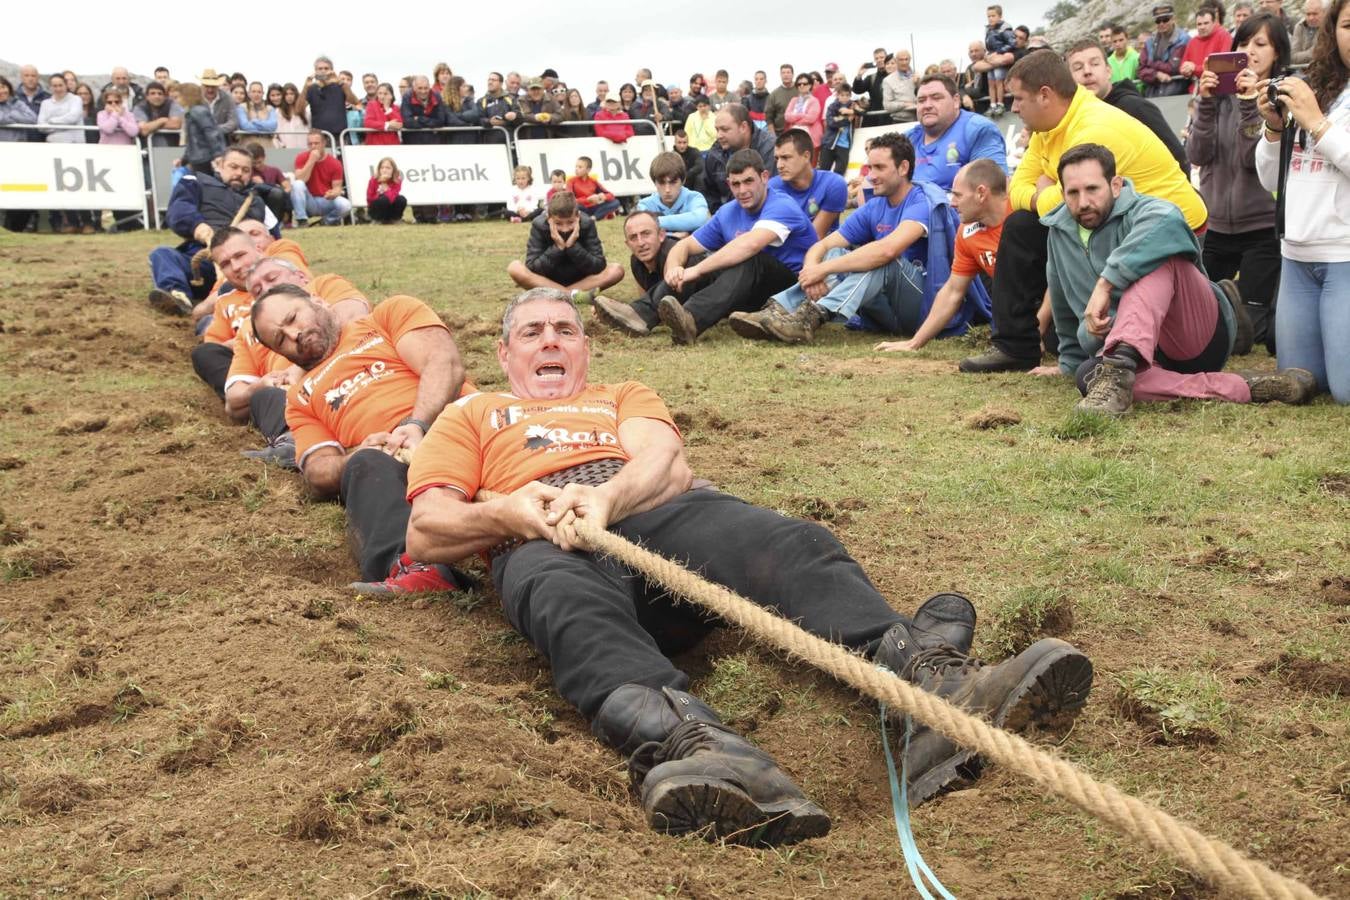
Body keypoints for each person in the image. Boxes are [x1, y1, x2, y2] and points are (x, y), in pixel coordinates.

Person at [399, 286, 1094, 841]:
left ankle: (931, 692)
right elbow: (428, 528)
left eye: (565, 330)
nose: (551, 340)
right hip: (539, 544)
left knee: (787, 543)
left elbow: (665, 463)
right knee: (566, 606)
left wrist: (606, 498)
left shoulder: (620, 397)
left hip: (644, 512)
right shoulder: (472, 415)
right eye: (533, 332)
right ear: (504, 352)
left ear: (583, 347)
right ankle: (697, 751)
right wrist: (512, 514)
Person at [960, 52, 1207, 374]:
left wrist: (1048, 192)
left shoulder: (1094, 126)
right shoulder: (1049, 127)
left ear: (1045, 95)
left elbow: (1069, 203)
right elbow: (1016, 193)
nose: (1014, 108)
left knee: (1059, 225)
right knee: (1022, 224)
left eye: (1019, 99)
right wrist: (1044, 194)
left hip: (1168, 231)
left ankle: (1209, 315)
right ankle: (1015, 346)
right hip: (1112, 221)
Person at [1047, 144, 1315, 414]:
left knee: (1158, 255)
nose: (1083, 202)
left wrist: (1106, 283)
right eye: (1073, 192)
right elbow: (1061, 299)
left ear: (1116, 185)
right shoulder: (1058, 231)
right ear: (1063, 194)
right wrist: (1067, 362)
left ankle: (1120, 365)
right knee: (1089, 376)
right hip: (1141, 356)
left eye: (1092, 189)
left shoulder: (1147, 210)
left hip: (1193, 337)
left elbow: (1167, 220)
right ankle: (1244, 385)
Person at [248, 285, 472, 595]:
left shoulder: (388, 315)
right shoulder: (300, 398)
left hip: (459, 426)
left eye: (292, 318)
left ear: (317, 301)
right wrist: (355, 456)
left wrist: (416, 424)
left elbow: (443, 363)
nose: (293, 334)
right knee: (365, 463)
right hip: (393, 467)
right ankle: (416, 569)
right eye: (280, 338)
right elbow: (317, 470)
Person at [728, 133, 988, 345]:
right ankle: (781, 311)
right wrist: (812, 269)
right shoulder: (875, 206)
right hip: (887, 313)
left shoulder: (921, 201)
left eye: (879, 167)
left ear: (904, 167)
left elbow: (887, 250)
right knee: (835, 253)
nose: (870, 175)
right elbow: (823, 244)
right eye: (869, 167)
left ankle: (812, 317)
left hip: (925, 310)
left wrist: (824, 269)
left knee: (884, 261)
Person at [1254, 0, 1350, 403]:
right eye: (1348, 25)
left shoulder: (1317, 107)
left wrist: (1317, 123)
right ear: (1332, 32)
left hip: (1344, 255)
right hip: (1296, 256)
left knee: (1345, 391)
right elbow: (1269, 176)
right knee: (1301, 381)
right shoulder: (1322, 86)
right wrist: (1275, 131)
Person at [1188, 12, 1291, 352]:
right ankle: (1227, 308)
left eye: (1260, 44)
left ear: (1278, 53)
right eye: (1243, 43)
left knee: (1251, 330)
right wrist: (1204, 103)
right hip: (1216, 228)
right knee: (1197, 314)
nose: (1250, 51)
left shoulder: (1283, 98)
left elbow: (1252, 159)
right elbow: (1198, 154)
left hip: (1262, 229)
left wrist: (1249, 104)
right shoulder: (1216, 98)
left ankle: (1268, 303)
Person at [224, 254, 372, 467]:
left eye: (272, 278)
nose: (266, 288)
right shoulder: (249, 330)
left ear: (300, 276)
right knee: (263, 395)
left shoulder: (322, 286)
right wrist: (261, 384)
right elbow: (233, 402)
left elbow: (352, 315)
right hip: (287, 395)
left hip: (345, 370)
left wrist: (297, 370)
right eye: (257, 291)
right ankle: (291, 442)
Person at [657, 149, 816, 345]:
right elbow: (686, 245)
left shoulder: (782, 205)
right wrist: (674, 268)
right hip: (751, 288)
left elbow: (750, 245)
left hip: (792, 291)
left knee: (747, 259)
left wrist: (695, 271)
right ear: (728, 184)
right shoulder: (728, 211)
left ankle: (691, 320)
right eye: (736, 184)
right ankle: (640, 314)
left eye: (749, 181)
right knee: (701, 260)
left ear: (764, 177)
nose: (742, 191)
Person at [877, 159, 1010, 352]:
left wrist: (1036, 330)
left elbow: (1055, 280)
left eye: (957, 195)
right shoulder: (966, 232)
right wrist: (914, 342)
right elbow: (953, 291)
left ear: (981, 193)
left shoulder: (1023, 213)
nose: (952, 203)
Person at [147, 145, 274, 317]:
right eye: (233, 167)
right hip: (201, 262)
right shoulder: (196, 181)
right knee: (162, 254)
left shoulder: (257, 201)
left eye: (245, 170)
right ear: (220, 165)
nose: (239, 173)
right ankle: (177, 296)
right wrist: (199, 227)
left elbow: (274, 238)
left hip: (242, 267)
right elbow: (179, 209)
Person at [1065, 40, 1190, 173]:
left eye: (1095, 64)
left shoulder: (1135, 107)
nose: (1087, 71)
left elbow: (1177, 157)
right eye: (1078, 68)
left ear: (1108, 71)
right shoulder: (1077, 118)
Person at [592, 210, 713, 337]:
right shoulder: (637, 262)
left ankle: (639, 313)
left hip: (713, 302)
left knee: (676, 277)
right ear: (627, 244)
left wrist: (630, 312)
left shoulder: (673, 253)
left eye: (646, 234)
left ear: (661, 235)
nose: (641, 243)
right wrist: (613, 313)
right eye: (633, 237)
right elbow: (647, 297)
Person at [507, 191, 625, 301]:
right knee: (514, 268)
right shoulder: (538, 225)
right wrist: (557, 248)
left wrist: (572, 246)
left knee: (616, 270)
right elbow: (533, 267)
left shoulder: (587, 223)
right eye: (558, 223)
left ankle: (561, 296)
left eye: (570, 222)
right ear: (549, 218)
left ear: (578, 216)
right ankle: (572, 296)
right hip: (548, 281)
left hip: (582, 280)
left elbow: (598, 266)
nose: (565, 229)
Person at [904, 74, 1009, 191]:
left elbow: (995, 190)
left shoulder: (978, 130)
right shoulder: (908, 139)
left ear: (956, 101)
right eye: (921, 100)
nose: (927, 105)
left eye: (936, 98)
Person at [768, 130, 848, 238]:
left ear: (806, 156)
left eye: (786, 157)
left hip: (822, 250)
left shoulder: (833, 184)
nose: (779, 165)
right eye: (777, 158)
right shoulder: (772, 187)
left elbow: (814, 237)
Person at [703, 104, 779, 212]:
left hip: (764, 216)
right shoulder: (715, 154)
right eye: (717, 130)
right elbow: (708, 194)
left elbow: (772, 191)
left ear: (743, 127)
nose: (719, 136)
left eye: (724, 129)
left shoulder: (771, 149)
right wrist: (723, 218)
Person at [635, 151, 710, 237]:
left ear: (683, 181)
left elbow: (701, 219)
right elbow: (642, 230)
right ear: (654, 182)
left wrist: (653, 222)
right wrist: (673, 236)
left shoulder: (694, 198)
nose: (667, 190)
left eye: (673, 182)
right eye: (662, 183)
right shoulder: (645, 204)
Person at [290, 130, 351, 227]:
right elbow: (301, 180)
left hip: (325, 199)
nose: (313, 146)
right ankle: (302, 220)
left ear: (323, 143)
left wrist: (334, 193)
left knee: (346, 205)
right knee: (297, 184)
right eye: (310, 144)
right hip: (307, 200)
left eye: (316, 143)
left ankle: (325, 222)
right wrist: (311, 160)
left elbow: (337, 187)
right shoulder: (301, 157)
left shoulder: (335, 163)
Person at [1140, 3, 1193, 96]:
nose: (1161, 23)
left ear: (1173, 19)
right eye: (1158, 21)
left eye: (1165, 20)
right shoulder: (1150, 42)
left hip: (1177, 92)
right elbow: (1141, 69)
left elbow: (1174, 68)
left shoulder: (1184, 40)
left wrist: (1152, 64)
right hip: (1153, 93)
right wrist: (1156, 74)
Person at [1179, 4, 1234, 89]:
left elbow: (1223, 65)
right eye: (1199, 24)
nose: (1202, 27)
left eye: (1206, 23)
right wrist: (1185, 70)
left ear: (1214, 22)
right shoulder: (1192, 41)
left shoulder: (1224, 36)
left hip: (1217, 88)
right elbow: (1183, 65)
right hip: (1196, 89)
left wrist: (1195, 68)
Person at [304, 56, 357, 143]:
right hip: (319, 137)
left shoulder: (340, 86)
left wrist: (340, 82)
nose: (323, 71)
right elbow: (299, 109)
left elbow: (354, 102)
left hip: (340, 136)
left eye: (326, 68)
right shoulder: (311, 88)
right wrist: (305, 87)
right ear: (315, 71)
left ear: (332, 70)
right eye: (320, 68)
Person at [984, 4, 1019, 114]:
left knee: (999, 80)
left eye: (993, 16)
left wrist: (999, 52)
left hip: (1001, 57)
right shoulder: (988, 30)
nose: (990, 18)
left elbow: (1012, 43)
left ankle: (1000, 103)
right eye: (988, 16)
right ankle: (992, 104)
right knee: (991, 81)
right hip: (991, 56)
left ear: (999, 16)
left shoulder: (1005, 28)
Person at [819, 82, 858, 177]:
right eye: (842, 95)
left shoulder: (853, 105)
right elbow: (831, 123)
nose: (844, 97)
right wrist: (847, 120)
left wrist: (852, 111)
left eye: (847, 95)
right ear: (837, 95)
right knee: (823, 172)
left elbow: (864, 110)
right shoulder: (832, 107)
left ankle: (835, 191)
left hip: (844, 145)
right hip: (829, 144)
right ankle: (822, 191)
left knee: (840, 173)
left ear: (850, 95)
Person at [566, 156, 622, 220]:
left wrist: (602, 197)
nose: (576, 169)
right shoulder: (571, 181)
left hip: (594, 207)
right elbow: (569, 200)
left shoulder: (593, 181)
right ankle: (598, 215)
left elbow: (611, 195)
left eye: (580, 167)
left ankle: (594, 217)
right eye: (576, 166)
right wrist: (587, 200)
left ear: (588, 170)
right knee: (571, 206)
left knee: (616, 202)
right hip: (581, 207)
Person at [133, 81, 182, 148]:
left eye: (160, 93)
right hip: (147, 148)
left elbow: (175, 124)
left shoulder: (172, 104)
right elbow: (143, 130)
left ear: (165, 96)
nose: (157, 96)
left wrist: (151, 125)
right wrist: (162, 120)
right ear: (147, 96)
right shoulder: (140, 107)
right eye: (153, 93)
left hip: (171, 147)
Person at [784, 74, 823, 148]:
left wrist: (795, 119)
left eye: (805, 84)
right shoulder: (793, 100)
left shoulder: (814, 101)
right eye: (799, 84)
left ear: (810, 85)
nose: (802, 86)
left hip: (810, 137)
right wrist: (802, 115)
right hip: (794, 137)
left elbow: (811, 118)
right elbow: (787, 116)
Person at [854, 48, 891, 125]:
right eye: (876, 58)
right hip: (874, 120)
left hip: (891, 119)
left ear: (887, 58)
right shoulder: (871, 78)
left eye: (881, 57)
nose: (879, 60)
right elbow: (857, 90)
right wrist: (859, 75)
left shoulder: (895, 75)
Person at [366, 157, 407, 224]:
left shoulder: (397, 181)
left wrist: (385, 186)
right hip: (376, 209)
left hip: (390, 208)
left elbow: (392, 197)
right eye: (382, 168)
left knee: (401, 199)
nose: (384, 170)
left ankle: (395, 219)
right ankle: (377, 220)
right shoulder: (373, 180)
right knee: (383, 200)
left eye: (388, 168)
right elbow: (369, 199)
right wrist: (379, 194)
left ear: (393, 170)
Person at [199, 69, 237, 138]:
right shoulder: (195, 99)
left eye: (213, 86)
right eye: (207, 86)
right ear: (202, 85)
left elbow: (233, 122)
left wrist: (215, 129)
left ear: (217, 85)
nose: (210, 90)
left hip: (221, 141)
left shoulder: (228, 99)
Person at [883, 53, 919, 123]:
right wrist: (905, 104)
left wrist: (918, 84)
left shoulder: (918, 75)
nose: (904, 62)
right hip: (900, 121)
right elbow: (887, 105)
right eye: (901, 60)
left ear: (910, 60)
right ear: (897, 61)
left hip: (920, 120)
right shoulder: (888, 80)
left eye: (906, 59)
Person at [1108, 24, 1145, 91]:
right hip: (1115, 98)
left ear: (1127, 39)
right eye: (1115, 41)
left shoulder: (1137, 58)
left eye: (1121, 40)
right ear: (1111, 43)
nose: (1118, 44)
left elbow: (1142, 82)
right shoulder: (1108, 62)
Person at [763, 64, 798, 133]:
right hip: (780, 133)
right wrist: (773, 136)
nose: (786, 75)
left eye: (788, 72)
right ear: (780, 75)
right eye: (783, 73)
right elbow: (769, 117)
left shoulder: (800, 91)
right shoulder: (774, 94)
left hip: (798, 132)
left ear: (793, 74)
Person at [670, 129, 706, 195]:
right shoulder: (671, 156)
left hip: (693, 184)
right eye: (679, 142)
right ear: (675, 142)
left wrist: (686, 175)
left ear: (688, 142)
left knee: (700, 176)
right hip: (678, 184)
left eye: (684, 142)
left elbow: (700, 166)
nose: (682, 146)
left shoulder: (694, 151)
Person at [275, 83, 309, 148]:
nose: (289, 96)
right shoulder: (279, 112)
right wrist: (282, 145)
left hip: (303, 146)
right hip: (287, 147)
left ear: (296, 95)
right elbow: (278, 131)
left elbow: (308, 128)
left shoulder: (304, 112)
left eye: (291, 94)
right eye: (286, 94)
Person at [963, 43, 993, 113]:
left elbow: (983, 91)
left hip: (989, 106)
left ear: (984, 51)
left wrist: (966, 90)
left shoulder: (990, 65)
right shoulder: (969, 68)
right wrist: (964, 95)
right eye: (971, 51)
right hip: (975, 109)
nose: (973, 54)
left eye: (976, 51)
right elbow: (961, 87)